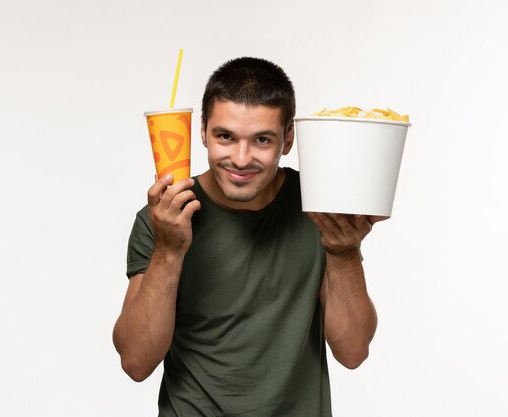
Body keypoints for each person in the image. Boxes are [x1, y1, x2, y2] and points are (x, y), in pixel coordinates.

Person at [113, 57, 385, 416]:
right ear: (203, 132)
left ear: (288, 140)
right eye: (225, 136)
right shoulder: (164, 218)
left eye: (261, 140)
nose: (241, 159)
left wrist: (344, 252)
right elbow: (135, 361)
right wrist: (169, 249)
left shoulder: (319, 206)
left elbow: (353, 352)